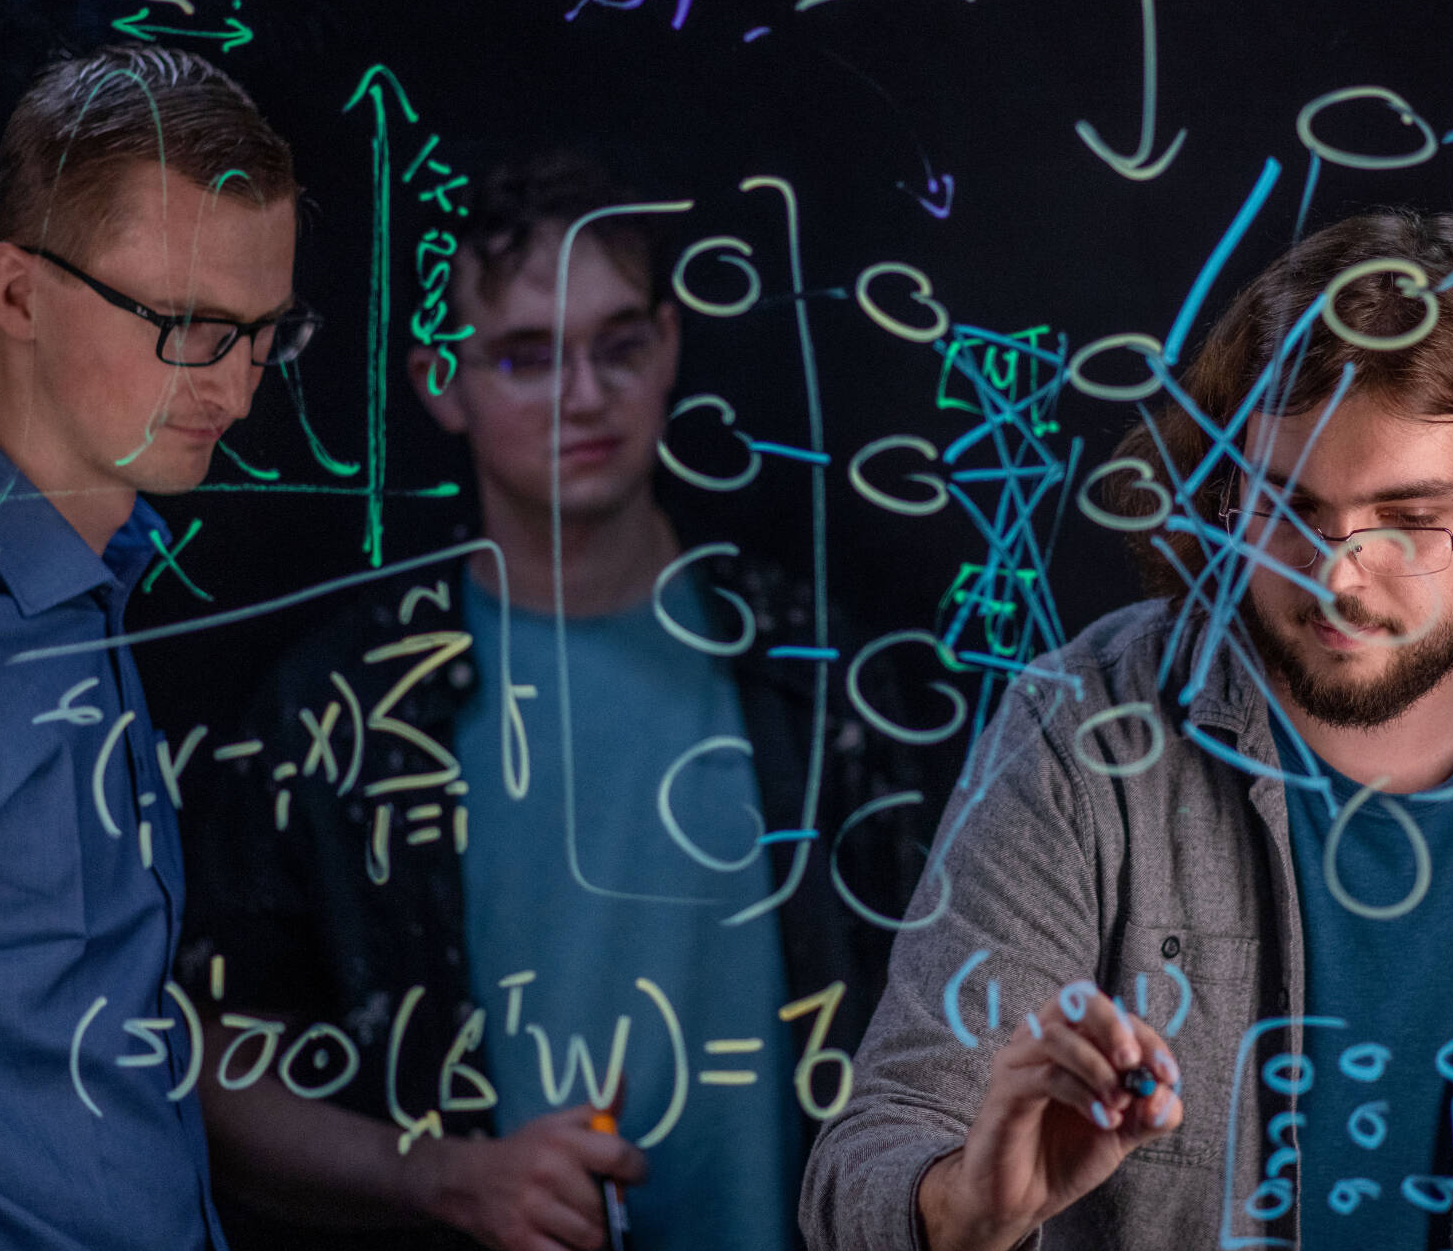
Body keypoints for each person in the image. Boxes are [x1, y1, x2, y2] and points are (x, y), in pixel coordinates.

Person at [801, 212, 1453, 1251]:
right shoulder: (1078, 732)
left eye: (1408, 519)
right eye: (1283, 506)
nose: (1331, 577)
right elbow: (866, 1161)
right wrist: (968, 1210)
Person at [179, 151, 927, 1251]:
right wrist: (442, 1178)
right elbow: (210, 1061)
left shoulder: (818, 673)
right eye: (527, 357)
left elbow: (953, 1017)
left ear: (669, 344)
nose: (585, 396)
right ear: (442, 377)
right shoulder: (346, 704)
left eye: (619, 345)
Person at [0, 44, 307, 1247]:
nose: (238, 389)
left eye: (263, 332)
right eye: (186, 324)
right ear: (16, 294)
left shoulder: (84, 580)